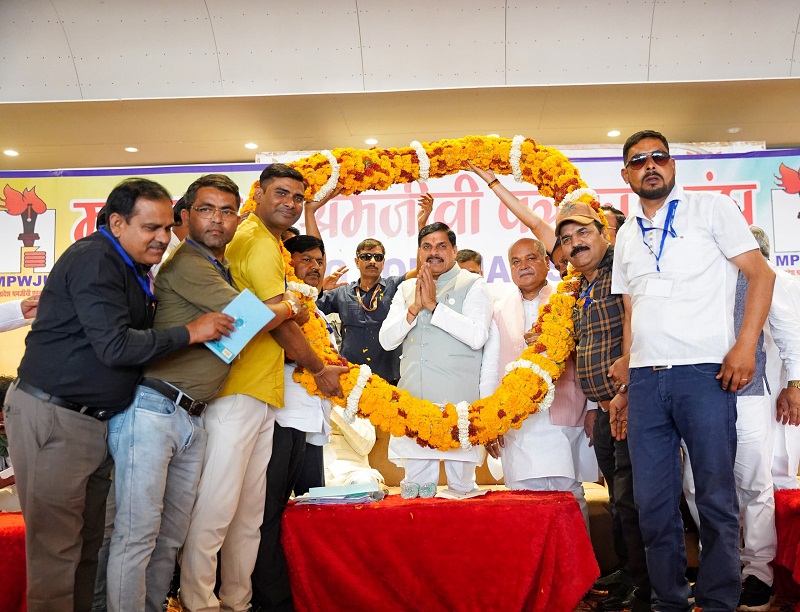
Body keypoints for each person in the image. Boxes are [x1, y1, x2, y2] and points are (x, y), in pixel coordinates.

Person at [3, 177, 233, 612]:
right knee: (57, 553)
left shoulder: (133, 266)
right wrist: (190, 332)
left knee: (90, 547)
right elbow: (114, 346)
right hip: (54, 415)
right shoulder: (96, 259)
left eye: (168, 227)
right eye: (151, 228)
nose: (163, 238)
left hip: (94, 421)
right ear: (116, 222)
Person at [611, 130, 775, 611]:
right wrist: (624, 386)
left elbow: (760, 275)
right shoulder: (623, 235)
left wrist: (744, 348)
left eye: (659, 157)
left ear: (673, 165)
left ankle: (721, 600)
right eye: (639, 160)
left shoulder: (712, 209)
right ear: (627, 174)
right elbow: (630, 312)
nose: (651, 165)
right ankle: (669, 601)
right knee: (654, 505)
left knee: (716, 498)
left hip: (703, 374)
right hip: (644, 381)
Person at [179, 164, 347, 612]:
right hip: (237, 388)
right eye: (281, 193)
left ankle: (238, 600)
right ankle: (199, 601)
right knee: (217, 508)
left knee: (249, 516)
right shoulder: (256, 241)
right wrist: (317, 367)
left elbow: (281, 315)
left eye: (297, 197)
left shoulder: (269, 243)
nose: (290, 203)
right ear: (259, 193)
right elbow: (278, 322)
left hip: (262, 391)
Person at [104, 174, 243, 612]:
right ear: (186, 215)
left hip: (190, 416)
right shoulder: (188, 262)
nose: (217, 219)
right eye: (206, 209)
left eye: (226, 210)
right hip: (154, 409)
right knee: (137, 533)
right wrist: (293, 304)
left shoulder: (217, 265)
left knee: (170, 536)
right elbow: (248, 318)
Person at [554, 199, 651, 612]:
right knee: (618, 497)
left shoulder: (622, 270)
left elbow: (637, 325)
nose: (575, 245)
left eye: (583, 233)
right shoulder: (584, 286)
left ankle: (648, 586)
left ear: (604, 232)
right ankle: (630, 572)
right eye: (566, 239)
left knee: (636, 499)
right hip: (604, 407)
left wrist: (626, 393)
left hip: (632, 402)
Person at [250, 234, 339, 612]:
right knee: (269, 515)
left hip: (311, 425)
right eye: (305, 260)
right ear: (289, 265)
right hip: (280, 419)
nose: (315, 267)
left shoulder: (315, 310)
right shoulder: (285, 305)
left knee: (309, 519)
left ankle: (307, 594)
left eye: (319, 260)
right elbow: (284, 349)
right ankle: (272, 600)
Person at [481, 238, 597, 527]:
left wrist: (595, 406)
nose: (524, 267)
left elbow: (591, 354)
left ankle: (578, 570)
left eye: (531, 258)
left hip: (566, 412)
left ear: (547, 262)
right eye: (516, 262)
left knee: (568, 495)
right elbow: (490, 369)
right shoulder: (498, 309)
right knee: (523, 499)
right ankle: (535, 569)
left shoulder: (568, 299)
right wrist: (488, 419)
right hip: (517, 420)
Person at [379, 222, 492, 493]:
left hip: (459, 406)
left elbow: (478, 336)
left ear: (454, 250)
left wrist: (434, 306)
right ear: (419, 252)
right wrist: (415, 308)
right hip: (415, 402)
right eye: (427, 246)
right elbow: (386, 340)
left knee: (462, 489)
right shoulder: (407, 289)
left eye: (442, 246)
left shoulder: (473, 284)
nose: (434, 252)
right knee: (416, 490)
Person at [314, 194, 431, 385]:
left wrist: (422, 228)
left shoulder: (394, 286)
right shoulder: (341, 292)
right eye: (366, 256)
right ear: (356, 261)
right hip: (350, 374)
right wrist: (319, 287)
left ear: (384, 262)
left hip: (388, 375)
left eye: (377, 257)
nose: (372, 261)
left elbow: (421, 270)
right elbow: (311, 309)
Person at [324, 406, 384, 486]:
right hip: (311, 471)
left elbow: (365, 447)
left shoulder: (357, 400)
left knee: (362, 481)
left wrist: (333, 407)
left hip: (350, 472)